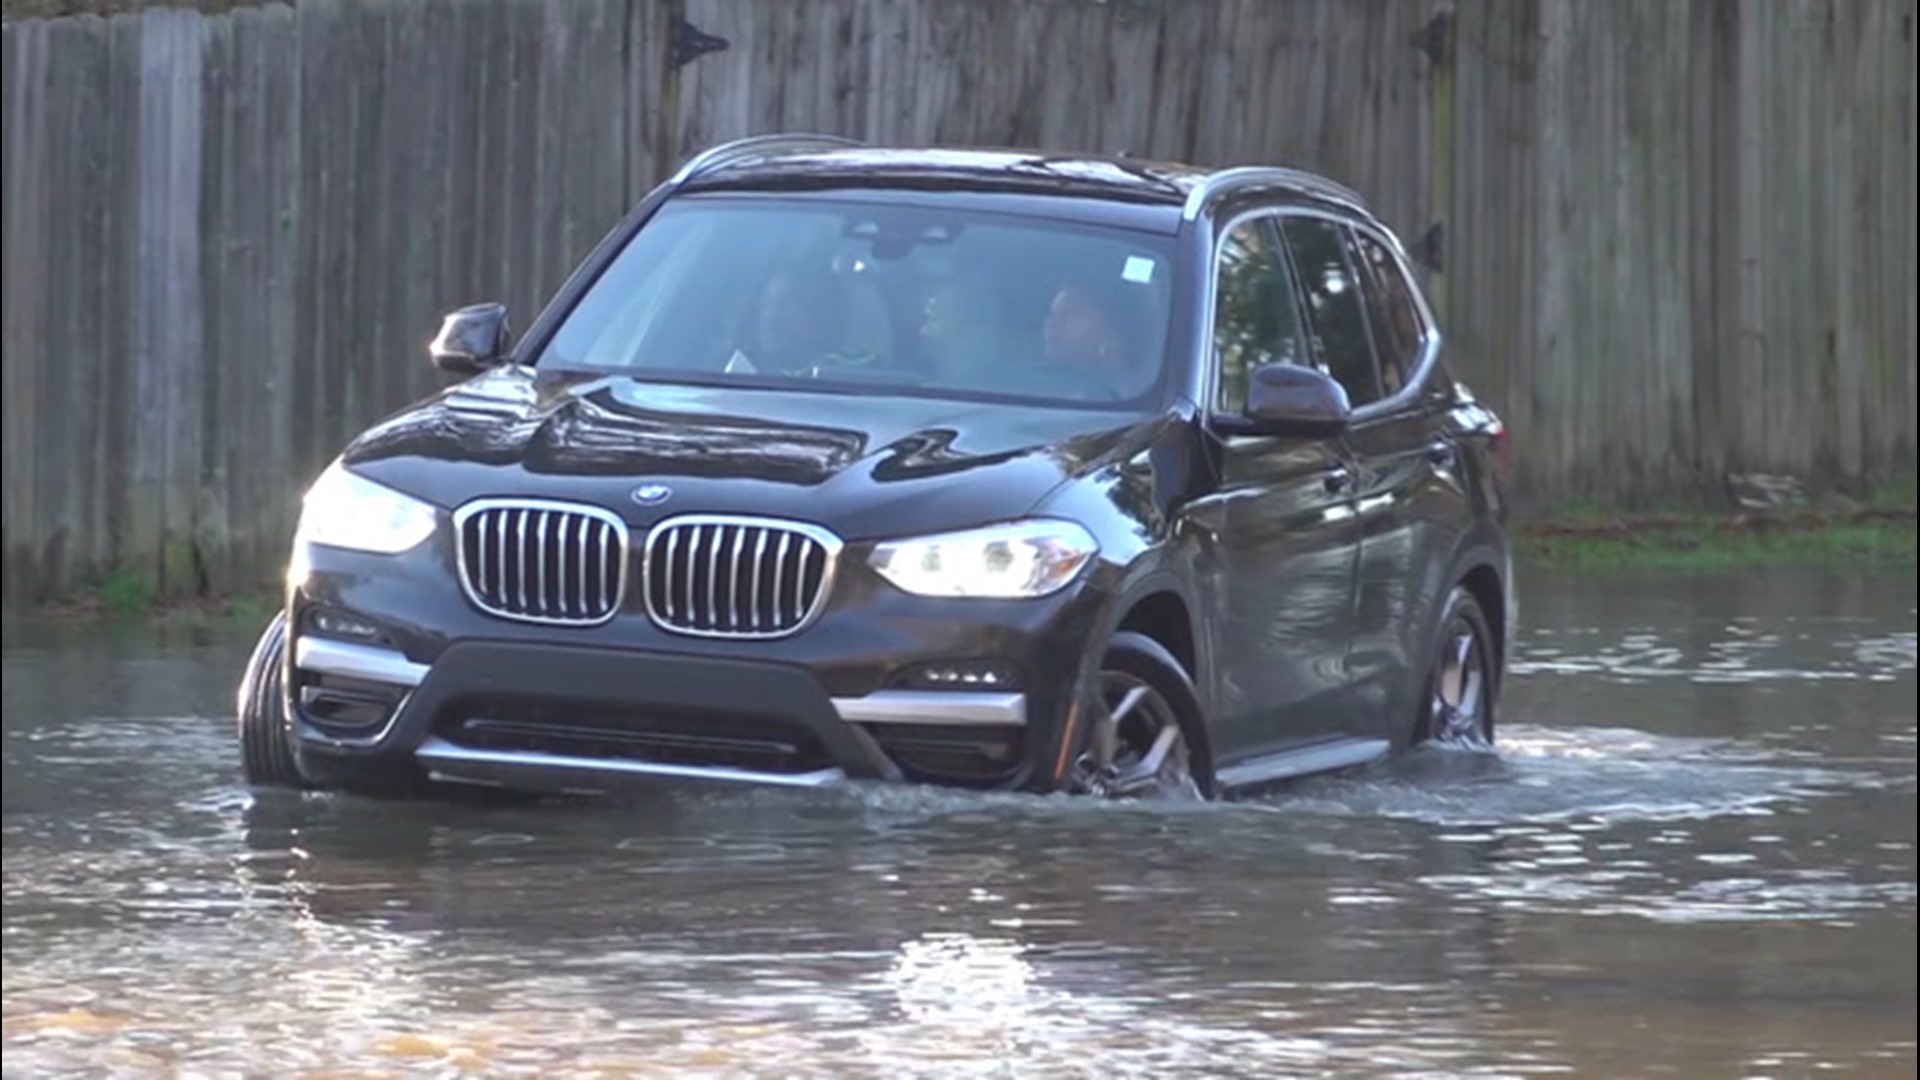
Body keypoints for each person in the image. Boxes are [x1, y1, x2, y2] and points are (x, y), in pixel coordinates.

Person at [724, 266, 876, 376]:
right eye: (764, 307)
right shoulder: (743, 373)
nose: (770, 317)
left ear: (813, 311)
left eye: (783, 306)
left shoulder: (856, 371)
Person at [1030, 276, 1157, 400]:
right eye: (1052, 315)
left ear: (1114, 332)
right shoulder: (1032, 387)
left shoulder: (1136, 401)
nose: (1051, 324)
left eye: (1069, 314)